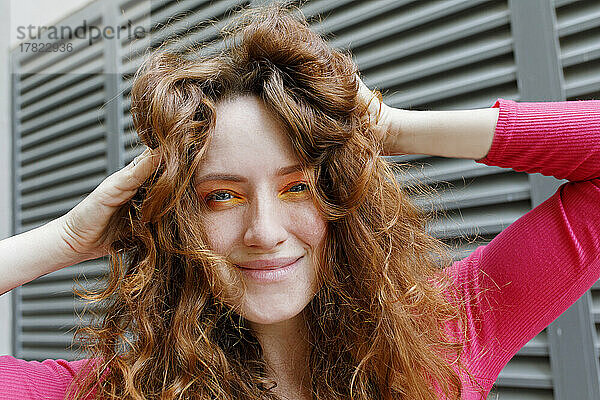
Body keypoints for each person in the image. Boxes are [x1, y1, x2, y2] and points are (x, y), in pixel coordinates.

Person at [1, 4, 599, 400]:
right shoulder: (124, 389)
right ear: (181, 221)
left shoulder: (448, 337)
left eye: (297, 187)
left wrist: (391, 127)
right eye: (220, 197)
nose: (264, 230)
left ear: (341, 196)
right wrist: (69, 239)